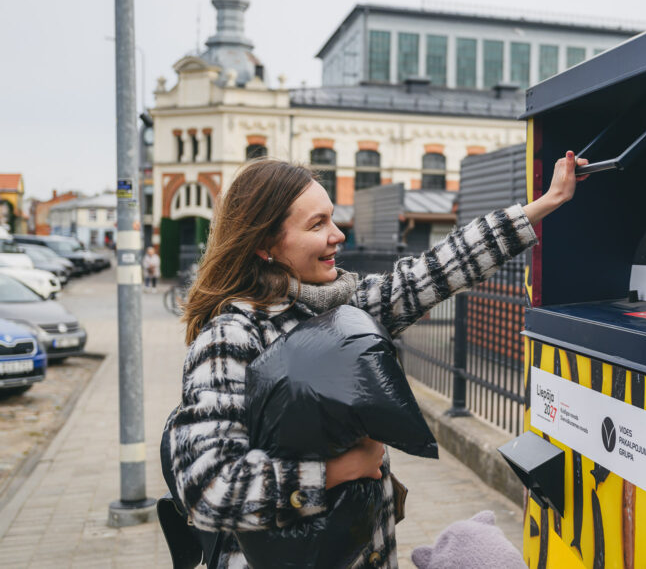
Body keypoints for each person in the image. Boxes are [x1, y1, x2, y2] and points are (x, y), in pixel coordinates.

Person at [166, 151, 586, 569]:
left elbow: (434, 271)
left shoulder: (341, 307)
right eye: (317, 225)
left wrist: (545, 204)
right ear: (264, 245)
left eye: (332, 218)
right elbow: (207, 489)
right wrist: (335, 471)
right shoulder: (231, 338)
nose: (338, 235)